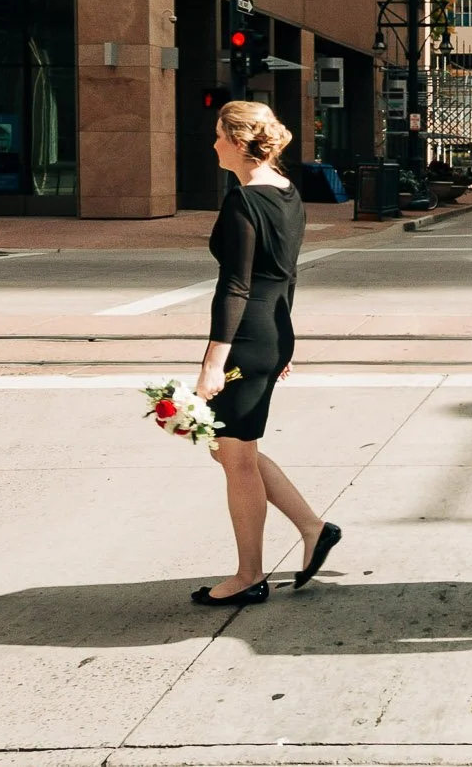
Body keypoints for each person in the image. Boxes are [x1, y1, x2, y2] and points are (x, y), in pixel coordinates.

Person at [192, 101, 338, 606]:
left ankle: (249, 575)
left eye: (218, 135)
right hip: (271, 331)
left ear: (237, 142)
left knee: (234, 455)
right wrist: (284, 339)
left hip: (248, 337)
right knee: (233, 448)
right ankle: (312, 528)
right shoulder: (288, 193)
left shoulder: (243, 201)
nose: (213, 144)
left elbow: (235, 286)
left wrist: (212, 363)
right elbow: (288, 275)